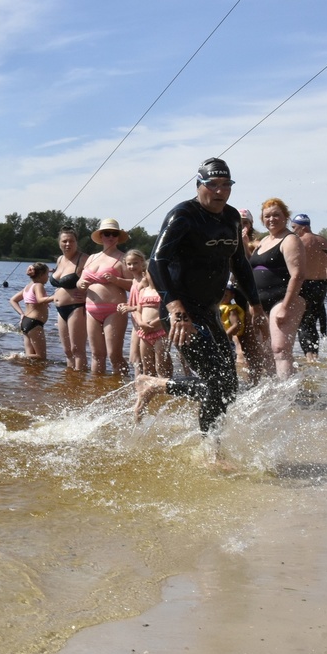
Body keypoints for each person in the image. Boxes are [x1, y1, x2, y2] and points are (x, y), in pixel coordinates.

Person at [140, 158, 264, 446]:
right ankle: (212, 451)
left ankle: (156, 385)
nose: (219, 191)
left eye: (225, 185)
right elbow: (157, 262)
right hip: (182, 312)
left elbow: (240, 264)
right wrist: (175, 308)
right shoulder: (183, 215)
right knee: (215, 383)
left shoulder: (232, 217)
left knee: (228, 387)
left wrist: (256, 305)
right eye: (212, 185)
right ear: (199, 185)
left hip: (209, 312)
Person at [247, 198, 304, 379]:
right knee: (266, 352)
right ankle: (277, 391)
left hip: (283, 300)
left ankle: (286, 395)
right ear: (262, 219)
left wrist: (286, 307)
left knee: (280, 349)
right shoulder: (264, 241)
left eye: (276, 215)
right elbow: (254, 266)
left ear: (286, 217)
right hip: (261, 303)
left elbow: (298, 275)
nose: (271, 219)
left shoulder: (290, 240)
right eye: (267, 216)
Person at [80, 218, 133, 373]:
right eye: (107, 234)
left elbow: (134, 285)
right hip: (91, 309)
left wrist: (116, 280)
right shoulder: (91, 258)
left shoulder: (123, 258)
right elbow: (80, 281)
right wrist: (81, 284)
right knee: (96, 354)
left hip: (114, 310)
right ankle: (97, 391)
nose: (110, 237)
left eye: (114, 234)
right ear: (101, 236)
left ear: (118, 237)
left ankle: (123, 387)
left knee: (114, 355)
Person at [119, 249, 169, 377]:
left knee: (160, 363)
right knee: (138, 358)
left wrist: (133, 309)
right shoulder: (138, 284)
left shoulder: (147, 283)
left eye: (135, 263)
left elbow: (167, 310)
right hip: (140, 324)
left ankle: (165, 387)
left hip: (157, 328)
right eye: (129, 264)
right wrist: (129, 307)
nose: (131, 267)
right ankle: (140, 384)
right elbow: (140, 305)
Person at [291, 213, 327, 360]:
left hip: (305, 284)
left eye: (294, 227)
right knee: (314, 321)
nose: (293, 231)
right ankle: (315, 354)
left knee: (303, 322)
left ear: (303, 227)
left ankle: (309, 356)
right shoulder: (324, 241)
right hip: (322, 285)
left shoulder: (299, 241)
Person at [49, 227, 89, 371]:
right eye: (64, 241)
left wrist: (86, 295)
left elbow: (97, 280)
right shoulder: (60, 259)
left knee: (77, 350)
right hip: (60, 309)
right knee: (67, 351)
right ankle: (70, 381)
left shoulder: (84, 259)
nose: (68, 244)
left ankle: (80, 381)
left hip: (76, 307)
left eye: (71, 241)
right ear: (59, 243)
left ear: (76, 242)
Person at [6, 263, 52, 362]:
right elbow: (40, 300)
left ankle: (30, 376)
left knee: (31, 356)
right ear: (41, 275)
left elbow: (13, 300)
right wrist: (57, 296)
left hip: (26, 322)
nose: (48, 277)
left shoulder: (28, 286)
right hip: (34, 323)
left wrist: (22, 314)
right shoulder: (38, 285)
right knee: (41, 357)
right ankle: (17, 356)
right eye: (47, 274)